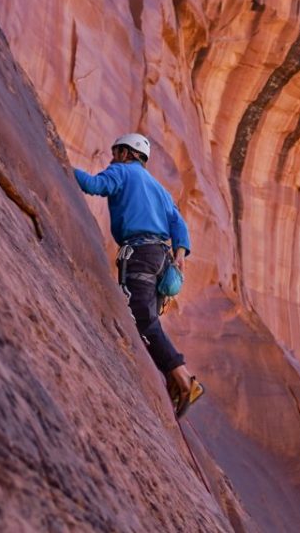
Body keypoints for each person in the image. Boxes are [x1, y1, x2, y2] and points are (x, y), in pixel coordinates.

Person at [74, 132, 204, 417]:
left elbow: (95, 185)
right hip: (161, 258)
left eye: (116, 152)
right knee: (148, 321)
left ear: (126, 153)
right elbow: (178, 224)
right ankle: (172, 379)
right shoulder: (159, 189)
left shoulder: (122, 171)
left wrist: (62, 162)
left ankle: (184, 380)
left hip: (139, 254)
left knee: (141, 318)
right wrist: (180, 254)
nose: (112, 157)